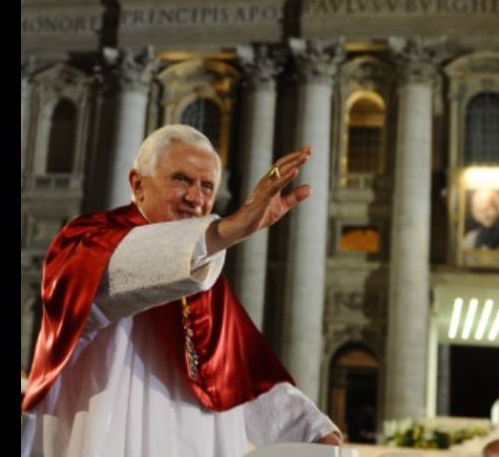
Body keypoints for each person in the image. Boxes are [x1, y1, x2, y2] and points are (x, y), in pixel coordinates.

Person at [21, 124, 342, 456]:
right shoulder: (87, 239)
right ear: (138, 184)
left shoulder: (203, 267)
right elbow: (103, 287)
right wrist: (225, 231)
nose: (195, 198)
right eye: (181, 180)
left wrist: (312, 432)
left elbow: (240, 372)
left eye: (207, 186)